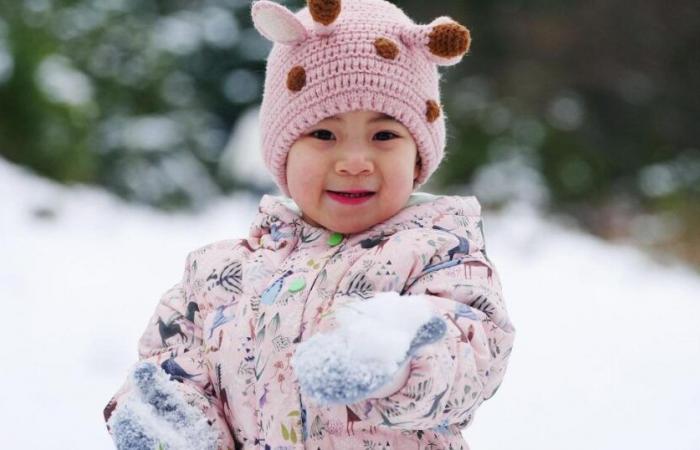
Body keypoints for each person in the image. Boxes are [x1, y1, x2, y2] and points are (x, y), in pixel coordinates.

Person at [102, 0, 516, 449]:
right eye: (323, 134)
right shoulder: (219, 277)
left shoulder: (438, 257)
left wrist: (395, 360)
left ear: (417, 154)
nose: (355, 162)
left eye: (384, 135)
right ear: (282, 151)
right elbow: (175, 364)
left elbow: (473, 355)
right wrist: (177, 421)